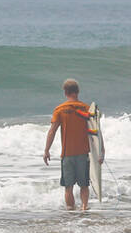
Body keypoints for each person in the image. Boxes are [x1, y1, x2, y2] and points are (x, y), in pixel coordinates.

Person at [43, 78, 102, 210]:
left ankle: (70, 215)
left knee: (68, 188)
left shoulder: (60, 110)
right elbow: (96, 135)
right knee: (84, 185)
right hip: (83, 154)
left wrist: (46, 150)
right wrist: (100, 153)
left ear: (65, 92)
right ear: (78, 91)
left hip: (67, 155)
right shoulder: (87, 110)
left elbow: (52, 131)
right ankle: (84, 209)